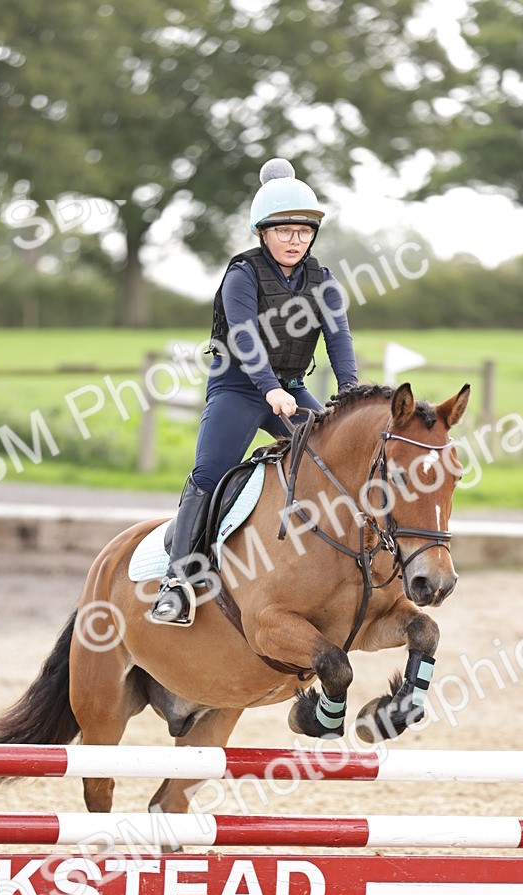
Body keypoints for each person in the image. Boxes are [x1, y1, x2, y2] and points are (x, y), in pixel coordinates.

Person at [150, 157, 358, 626]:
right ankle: (176, 582)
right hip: (238, 388)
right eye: (284, 230)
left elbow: (340, 340)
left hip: (289, 388)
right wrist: (268, 389)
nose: (294, 239)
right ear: (262, 232)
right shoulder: (242, 274)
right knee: (210, 471)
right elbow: (244, 338)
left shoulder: (322, 282)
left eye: (303, 231)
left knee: (336, 459)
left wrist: (350, 396)